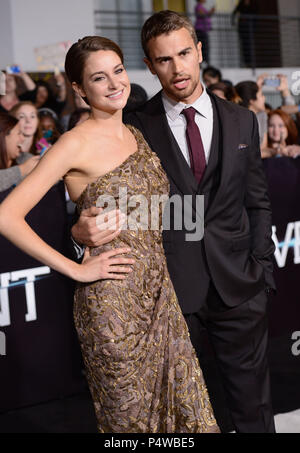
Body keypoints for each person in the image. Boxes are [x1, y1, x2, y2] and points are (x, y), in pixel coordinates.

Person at [0, 36, 219, 434]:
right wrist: (75, 268)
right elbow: (7, 216)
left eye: (118, 71)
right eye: (99, 78)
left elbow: (153, 212)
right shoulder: (72, 144)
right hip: (111, 305)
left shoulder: (137, 133)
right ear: (80, 89)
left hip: (161, 298)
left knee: (191, 419)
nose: (115, 83)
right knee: (133, 426)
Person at [72, 10, 276, 433]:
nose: (177, 67)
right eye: (164, 59)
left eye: (184, 53)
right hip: (168, 297)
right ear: (149, 66)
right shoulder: (133, 128)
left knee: (253, 409)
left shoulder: (241, 120)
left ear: (199, 51)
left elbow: (257, 203)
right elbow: (95, 201)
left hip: (240, 288)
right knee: (189, 419)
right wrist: (78, 234)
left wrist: (262, 270)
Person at [0, 113, 40, 192]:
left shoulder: (25, 159)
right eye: (18, 133)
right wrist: (22, 170)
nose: (23, 138)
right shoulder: (25, 166)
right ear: (3, 137)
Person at [235, 80, 268, 153]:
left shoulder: (262, 115)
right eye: (261, 95)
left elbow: (263, 146)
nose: (264, 98)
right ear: (252, 101)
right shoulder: (237, 120)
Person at [232, 0, 258, 68]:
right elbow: (234, 12)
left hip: (250, 28)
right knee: (244, 46)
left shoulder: (253, 4)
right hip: (243, 28)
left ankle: (251, 63)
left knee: (250, 46)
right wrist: (233, 22)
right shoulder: (241, 3)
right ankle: (247, 63)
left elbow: (256, 14)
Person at [194, 0, 215, 64]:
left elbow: (206, 15)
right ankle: (203, 63)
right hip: (200, 31)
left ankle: (205, 62)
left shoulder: (201, 6)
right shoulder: (198, 6)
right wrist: (210, 12)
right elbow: (203, 14)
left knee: (205, 48)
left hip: (203, 30)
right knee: (203, 47)